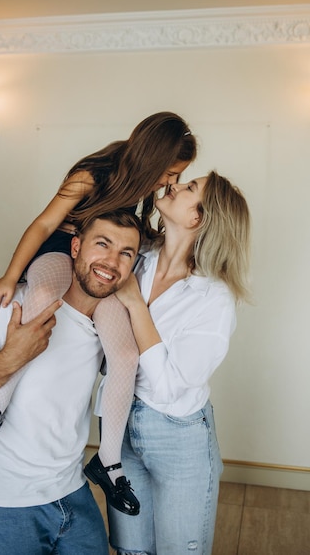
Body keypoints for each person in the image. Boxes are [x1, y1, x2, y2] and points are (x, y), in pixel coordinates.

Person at [0, 112, 196, 514]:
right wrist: (11, 277)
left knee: (126, 355)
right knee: (42, 300)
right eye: (169, 173)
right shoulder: (92, 174)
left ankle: (109, 462)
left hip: (99, 270)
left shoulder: (145, 192)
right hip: (60, 255)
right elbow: (44, 224)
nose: (169, 182)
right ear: (152, 158)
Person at [0, 210, 142, 555]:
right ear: (75, 247)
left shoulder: (109, 326)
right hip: (5, 504)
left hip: (73, 493)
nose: (111, 261)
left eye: (126, 253)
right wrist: (11, 355)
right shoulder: (8, 307)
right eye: (102, 244)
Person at [100, 172, 251, 555]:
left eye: (188, 189)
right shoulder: (138, 258)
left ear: (197, 218)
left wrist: (135, 304)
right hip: (119, 429)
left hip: (178, 436)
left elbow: (169, 386)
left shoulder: (213, 299)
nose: (174, 187)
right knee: (130, 549)